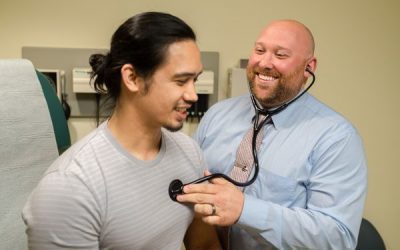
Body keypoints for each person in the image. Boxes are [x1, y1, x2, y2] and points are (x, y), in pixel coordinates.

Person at [22, 12, 221, 250]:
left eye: (195, 80)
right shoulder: (69, 189)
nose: (193, 95)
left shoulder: (189, 152)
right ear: (132, 77)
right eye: (181, 81)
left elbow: (205, 245)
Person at [177, 19, 367, 249]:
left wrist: (245, 210)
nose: (265, 62)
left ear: (310, 67)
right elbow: (185, 184)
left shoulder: (337, 137)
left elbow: (338, 237)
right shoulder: (217, 116)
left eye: (281, 55)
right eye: (259, 50)